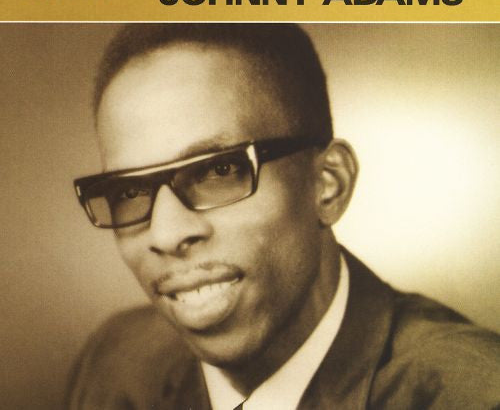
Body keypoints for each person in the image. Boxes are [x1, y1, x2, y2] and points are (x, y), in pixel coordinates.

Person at [68, 24, 499, 409]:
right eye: (128, 192)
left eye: (220, 170)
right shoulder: (114, 363)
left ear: (327, 184)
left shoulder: (473, 395)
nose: (165, 234)